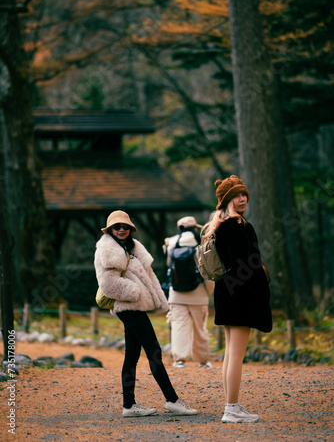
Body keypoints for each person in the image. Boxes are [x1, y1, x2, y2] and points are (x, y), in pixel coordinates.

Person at [94, 210, 198, 417]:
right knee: (154, 351)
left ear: (130, 229)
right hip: (128, 306)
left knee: (132, 355)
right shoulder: (107, 250)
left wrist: (158, 299)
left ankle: (129, 405)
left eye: (125, 227)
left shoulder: (132, 248)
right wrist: (135, 292)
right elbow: (107, 284)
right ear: (110, 230)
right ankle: (172, 400)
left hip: (135, 306)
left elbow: (149, 277)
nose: (122, 230)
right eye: (117, 227)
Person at [202, 176, 272, 423]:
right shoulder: (236, 226)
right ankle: (231, 409)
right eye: (236, 195)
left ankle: (231, 406)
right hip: (241, 295)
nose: (242, 198)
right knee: (235, 355)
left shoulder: (221, 225)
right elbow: (245, 265)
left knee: (231, 353)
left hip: (227, 292)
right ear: (226, 199)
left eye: (244, 194)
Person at [165, 216, 214, 369]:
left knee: (179, 326)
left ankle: (179, 360)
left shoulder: (171, 244)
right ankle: (203, 360)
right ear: (194, 228)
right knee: (200, 328)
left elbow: (169, 266)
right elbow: (208, 271)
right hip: (198, 295)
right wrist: (207, 292)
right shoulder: (201, 243)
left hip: (176, 294)